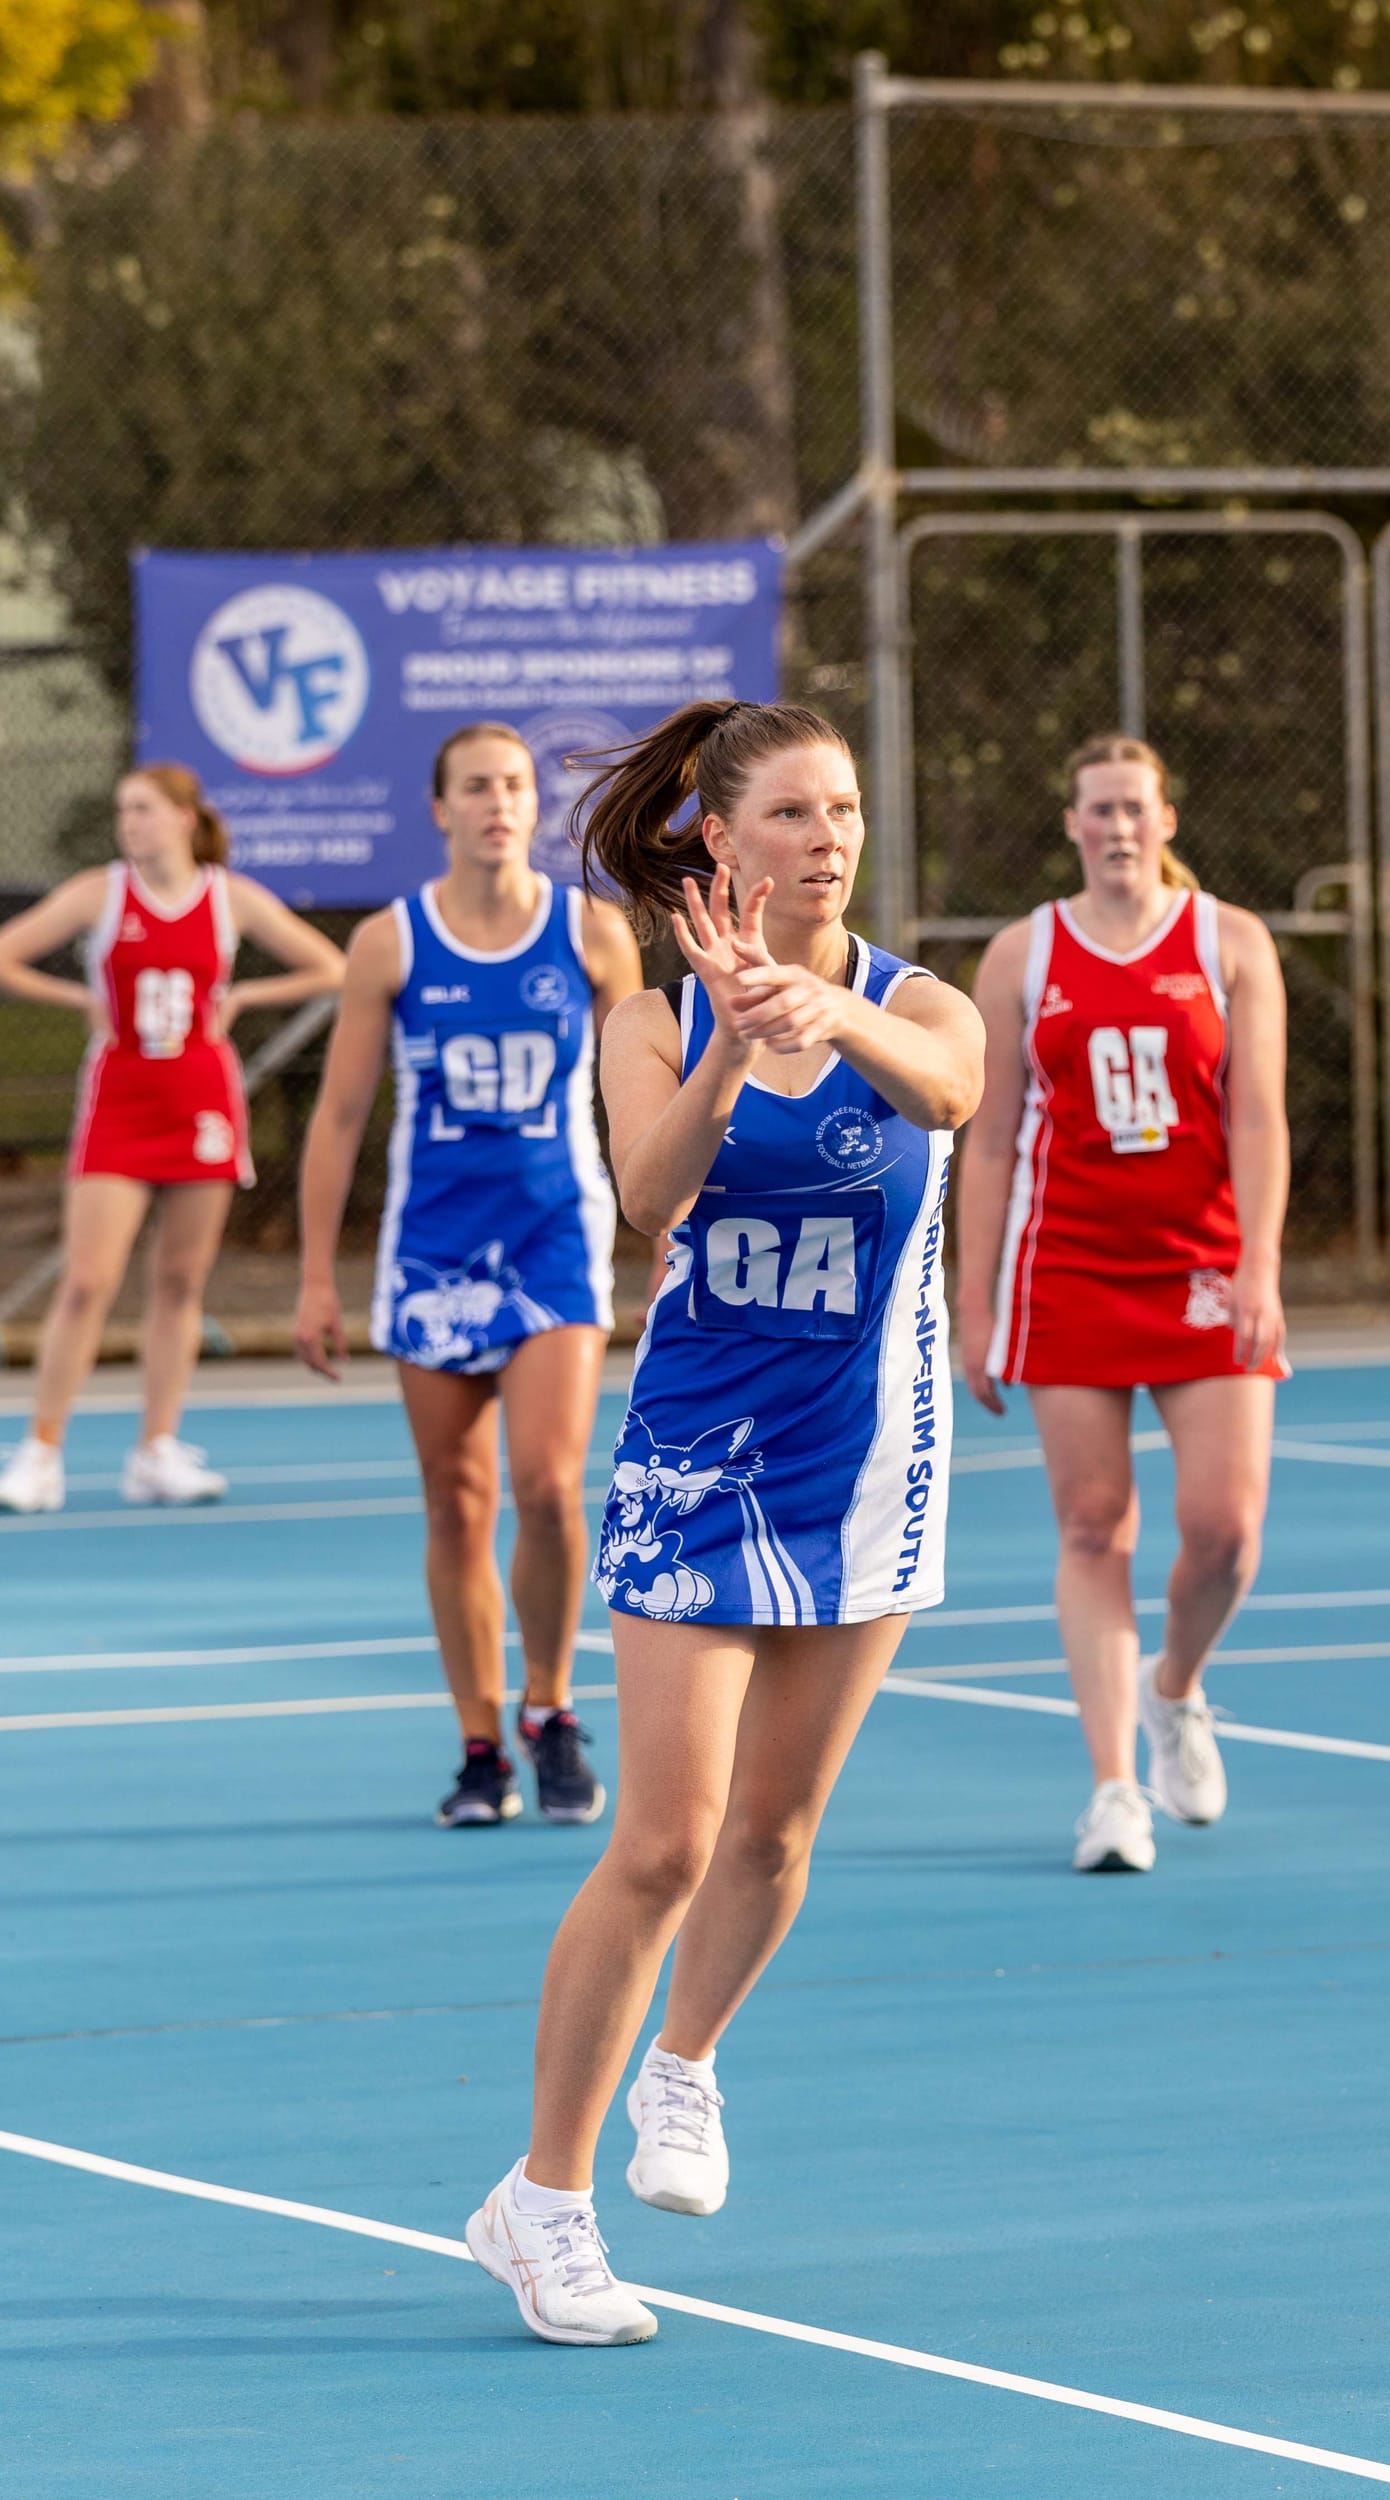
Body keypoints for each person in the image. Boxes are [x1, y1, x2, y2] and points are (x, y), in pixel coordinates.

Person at [465, 697, 982, 2348]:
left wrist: (830, 1008)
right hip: (697, 1464)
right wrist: (743, 1044)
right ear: (721, 839)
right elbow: (651, 1194)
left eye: (845, 811)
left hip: (868, 1466)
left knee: (774, 1834)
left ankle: (681, 2065)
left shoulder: (920, 1002)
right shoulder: (652, 1018)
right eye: (793, 814)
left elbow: (951, 1094)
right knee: (668, 1841)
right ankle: (542, 2206)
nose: (828, 840)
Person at [292, 725, 642, 1828]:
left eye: (515, 785)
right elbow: (340, 1115)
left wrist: (668, 1225)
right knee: (455, 1499)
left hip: (554, 1238)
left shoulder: (591, 931)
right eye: (476, 786)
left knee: (546, 1485)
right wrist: (315, 1276)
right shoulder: (390, 942)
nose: (498, 802)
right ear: (440, 809)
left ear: (535, 806)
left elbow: (641, 1098)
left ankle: (551, 1706)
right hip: (433, 1247)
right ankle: (479, 1741)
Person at [955, 733, 1290, 1876]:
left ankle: (1175, 1689)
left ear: (1165, 820)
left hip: (1201, 1267)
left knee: (1224, 1530)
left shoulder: (1228, 943)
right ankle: (1110, 1791)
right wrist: (973, 1300)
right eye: (1097, 808)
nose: (1116, 826)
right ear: (1071, 824)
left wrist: (1259, 1266)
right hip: (1068, 1268)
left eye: (1134, 807)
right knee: (1093, 1524)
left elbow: (1257, 1117)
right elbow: (988, 1141)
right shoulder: (1022, 955)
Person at [0, 764, 343, 1512]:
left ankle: (156, 1449)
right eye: (123, 809)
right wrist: (79, 999)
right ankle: (41, 1451)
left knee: (181, 1282)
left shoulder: (228, 897)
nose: (130, 822)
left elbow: (331, 966)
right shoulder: (100, 893)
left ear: (186, 818)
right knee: (87, 1279)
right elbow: (6, 954)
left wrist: (245, 994)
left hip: (201, 1104)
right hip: (120, 1101)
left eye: (144, 809)